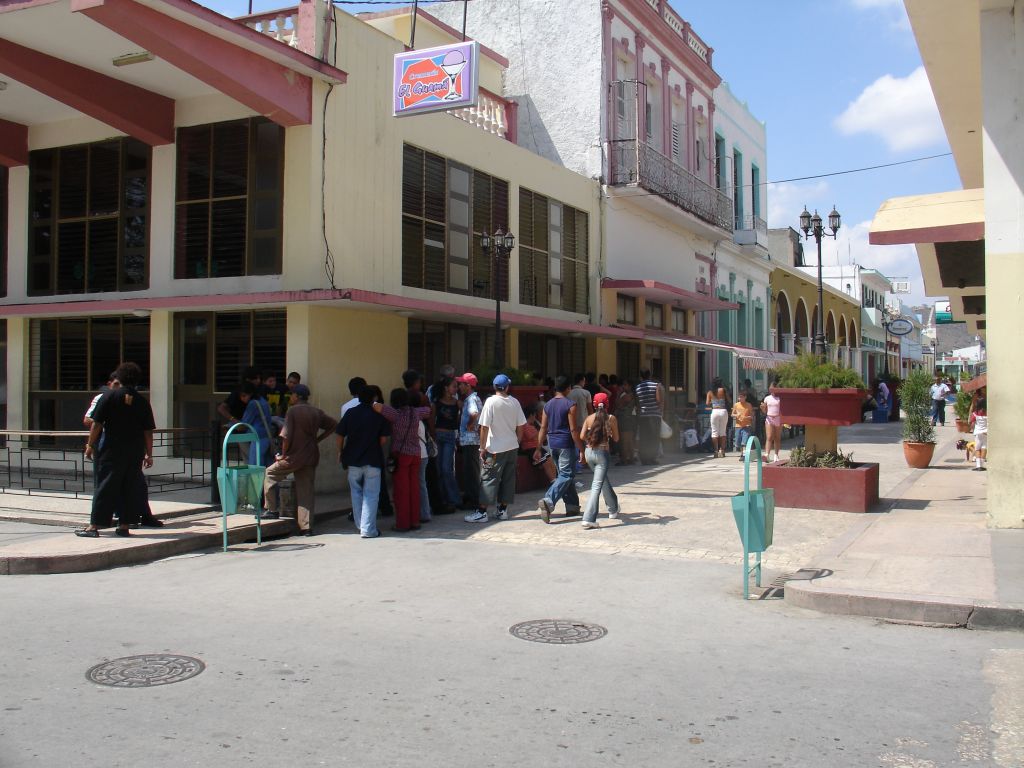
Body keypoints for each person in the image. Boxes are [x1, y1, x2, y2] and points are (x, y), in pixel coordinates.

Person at [76, 362, 155, 538]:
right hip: (134, 451)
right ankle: (124, 526)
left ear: (119, 377)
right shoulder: (142, 401)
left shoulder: (108, 397)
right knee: (129, 487)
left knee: (105, 486)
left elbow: (97, 424)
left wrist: (90, 445)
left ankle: (94, 526)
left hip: (111, 450)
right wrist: (149, 454)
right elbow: (148, 431)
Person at [262, 384, 337, 536]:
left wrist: (283, 455)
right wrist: (317, 439)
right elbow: (333, 425)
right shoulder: (316, 411)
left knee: (269, 474)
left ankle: (272, 509)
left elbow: (285, 436)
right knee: (306, 491)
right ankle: (306, 527)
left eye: (292, 395)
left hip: (293, 457)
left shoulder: (292, 411)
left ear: (296, 396)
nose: (291, 397)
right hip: (310, 455)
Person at [466, 374, 527, 523]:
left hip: (494, 448)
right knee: (508, 479)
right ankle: (502, 510)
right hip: (511, 446)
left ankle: (482, 512)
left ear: (494, 387)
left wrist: (482, 447)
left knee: (489, 478)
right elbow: (521, 426)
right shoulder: (515, 402)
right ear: (507, 387)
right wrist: (517, 442)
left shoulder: (491, 402)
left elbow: (484, 427)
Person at [336, 386, 391, 538]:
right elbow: (383, 439)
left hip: (352, 459)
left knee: (356, 493)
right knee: (371, 495)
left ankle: (361, 525)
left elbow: (340, 434)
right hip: (373, 459)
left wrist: (340, 451)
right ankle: (368, 529)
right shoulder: (379, 415)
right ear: (374, 398)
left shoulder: (350, 413)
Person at [376, 388, 431, 532]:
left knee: (401, 491)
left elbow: (376, 406)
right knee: (414, 489)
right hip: (416, 454)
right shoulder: (416, 412)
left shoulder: (394, 414)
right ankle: (415, 521)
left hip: (400, 454)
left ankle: (403, 523)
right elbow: (428, 410)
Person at [534, 376, 583, 523]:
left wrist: (538, 448)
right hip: (566, 443)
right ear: (568, 388)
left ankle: (572, 506)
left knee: (564, 475)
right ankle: (549, 500)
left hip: (552, 444)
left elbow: (543, 428)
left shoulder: (548, 405)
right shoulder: (570, 404)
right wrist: (581, 449)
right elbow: (573, 429)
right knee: (566, 475)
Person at [579, 392, 621, 529]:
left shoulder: (589, 418)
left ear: (594, 405)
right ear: (607, 404)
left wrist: (591, 438)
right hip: (602, 453)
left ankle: (613, 508)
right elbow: (616, 439)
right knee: (597, 485)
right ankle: (589, 518)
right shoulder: (611, 418)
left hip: (589, 453)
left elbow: (581, 436)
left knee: (602, 481)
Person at [431, 375, 462, 514]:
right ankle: (441, 498)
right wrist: (433, 436)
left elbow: (458, 421)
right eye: (454, 386)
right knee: (439, 469)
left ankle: (454, 499)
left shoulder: (457, 403)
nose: (456, 389)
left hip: (450, 437)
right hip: (438, 436)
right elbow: (432, 420)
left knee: (446, 469)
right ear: (446, 388)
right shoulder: (436, 403)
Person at [456, 372, 483, 510]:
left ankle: (474, 501)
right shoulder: (472, 398)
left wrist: (469, 424)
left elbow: (474, 413)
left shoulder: (471, 399)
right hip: (471, 440)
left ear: (468, 385)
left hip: (470, 440)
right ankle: (472, 498)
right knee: (471, 470)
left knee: (471, 472)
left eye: (461, 384)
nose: (459, 386)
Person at [519, 401, 557, 484]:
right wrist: (541, 432)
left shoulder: (532, 425)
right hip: (530, 449)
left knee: (550, 459)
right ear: (531, 415)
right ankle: (553, 480)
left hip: (537, 448)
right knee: (545, 463)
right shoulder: (524, 425)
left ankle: (555, 479)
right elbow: (530, 436)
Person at [239, 381, 275, 468]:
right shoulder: (262, 401)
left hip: (257, 438)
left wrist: (231, 424)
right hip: (267, 437)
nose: (242, 399)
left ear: (250, 394)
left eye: (244, 396)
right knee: (268, 468)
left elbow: (244, 424)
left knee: (255, 467)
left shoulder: (253, 404)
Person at [634, 369, 664, 465]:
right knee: (654, 437)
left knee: (644, 437)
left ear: (641, 376)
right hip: (654, 414)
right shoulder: (656, 385)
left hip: (643, 415)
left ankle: (644, 458)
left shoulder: (638, 387)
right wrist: (660, 411)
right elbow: (658, 400)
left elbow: (637, 403)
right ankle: (652, 458)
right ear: (650, 375)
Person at [706, 377, 730, 458]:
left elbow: (707, 403)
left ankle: (715, 451)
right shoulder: (723, 390)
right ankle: (722, 450)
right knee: (723, 432)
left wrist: (713, 401)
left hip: (715, 411)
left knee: (714, 432)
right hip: (723, 411)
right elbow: (729, 400)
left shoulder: (710, 392)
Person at [615, 378, 637, 465]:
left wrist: (619, 394)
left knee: (624, 440)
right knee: (629, 439)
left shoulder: (627, 396)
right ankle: (630, 458)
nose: (623, 386)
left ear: (630, 386)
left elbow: (618, 404)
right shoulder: (631, 395)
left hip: (625, 419)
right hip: (629, 418)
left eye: (625, 385)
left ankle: (624, 459)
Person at [760, 383, 782, 463]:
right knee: (769, 437)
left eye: (773, 388)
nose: (771, 390)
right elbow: (764, 411)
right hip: (769, 418)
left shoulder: (780, 398)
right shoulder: (767, 398)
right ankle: (767, 454)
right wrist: (762, 408)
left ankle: (776, 454)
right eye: (770, 388)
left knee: (777, 437)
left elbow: (782, 409)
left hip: (778, 418)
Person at [731, 390, 755, 460]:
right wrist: (736, 415)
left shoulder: (748, 405)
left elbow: (752, 415)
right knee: (738, 441)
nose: (740, 399)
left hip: (746, 425)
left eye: (741, 397)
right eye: (739, 397)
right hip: (738, 425)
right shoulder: (736, 405)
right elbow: (732, 414)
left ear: (745, 397)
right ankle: (742, 454)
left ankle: (744, 455)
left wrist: (747, 417)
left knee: (744, 441)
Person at [970, 397, 988, 471]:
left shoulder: (975, 413)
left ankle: (978, 466)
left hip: (978, 432)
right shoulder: (988, 412)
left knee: (977, 449)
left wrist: (971, 429)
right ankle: (982, 465)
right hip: (986, 432)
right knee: (984, 448)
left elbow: (972, 423)